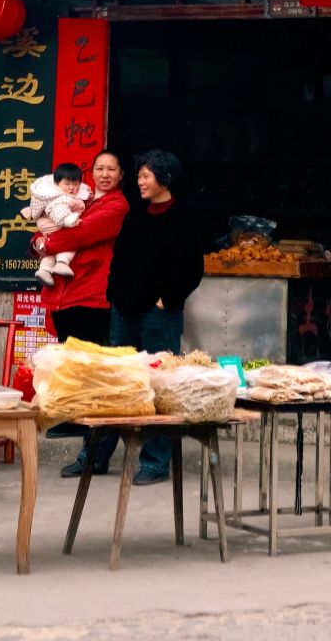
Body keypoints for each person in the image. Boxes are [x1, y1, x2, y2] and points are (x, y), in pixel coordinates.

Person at [87, 149, 203, 486]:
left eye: (145, 175)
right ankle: (96, 455)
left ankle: (155, 461)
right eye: (138, 175)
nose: (139, 181)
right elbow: (120, 259)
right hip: (123, 311)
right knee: (116, 382)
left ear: (164, 178)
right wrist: (114, 295)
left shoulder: (184, 216)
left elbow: (193, 268)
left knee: (160, 386)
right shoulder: (135, 216)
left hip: (158, 315)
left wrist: (167, 300)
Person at [35, 151, 129, 348]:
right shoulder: (80, 198)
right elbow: (48, 223)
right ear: (91, 173)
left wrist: (47, 244)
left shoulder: (116, 205)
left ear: (121, 175)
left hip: (88, 296)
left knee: (85, 366)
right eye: (99, 168)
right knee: (68, 365)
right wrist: (37, 242)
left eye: (111, 169)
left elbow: (80, 234)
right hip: (62, 295)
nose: (105, 174)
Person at [20, 162, 90, 287]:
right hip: (58, 230)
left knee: (51, 252)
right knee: (68, 245)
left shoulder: (46, 195)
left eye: (75, 184)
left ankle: (44, 271)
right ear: (57, 183)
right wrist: (37, 239)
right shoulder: (57, 197)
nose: (71, 188)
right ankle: (62, 263)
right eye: (67, 184)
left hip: (50, 235)